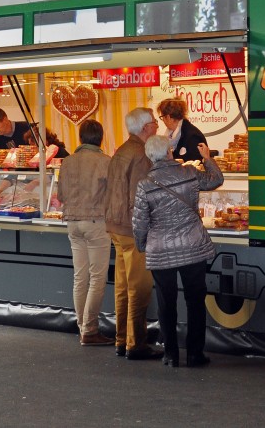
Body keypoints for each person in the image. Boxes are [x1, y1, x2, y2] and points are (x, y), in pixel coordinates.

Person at [133, 135, 224, 368]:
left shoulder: (145, 184)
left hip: (161, 249)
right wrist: (207, 159)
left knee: (166, 302)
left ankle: (171, 354)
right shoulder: (188, 173)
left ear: (150, 156)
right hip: (193, 246)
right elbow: (215, 180)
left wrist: (142, 244)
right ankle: (195, 354)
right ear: (170, 152)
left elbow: (140, 221)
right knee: (195, 301)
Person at [105, 107, 159, 360]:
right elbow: (141, 198)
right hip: (132, 229)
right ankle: (136, 343)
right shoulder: (141, 155)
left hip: (116, 226)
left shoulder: (122, 151)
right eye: (154, 122)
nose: (157, 125)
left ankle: (121, 339)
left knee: (123, 287)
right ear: (146, 127)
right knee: (140, 287)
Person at [58, 119, 112, 346]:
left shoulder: (68, 161)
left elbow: (60, 195)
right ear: (100, 138)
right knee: (97, 278)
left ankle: (82, 326)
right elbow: (113, 195)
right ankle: (89, 330)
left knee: (80, 277)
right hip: (96, 222)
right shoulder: (105, 162)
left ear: (81, 138)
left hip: (72, 221)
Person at [157, 98, 208, 162]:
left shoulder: (192, 136)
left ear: (168, 117)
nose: (163, 120)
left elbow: (195, 165)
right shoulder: (172, 135)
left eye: (162, 117)